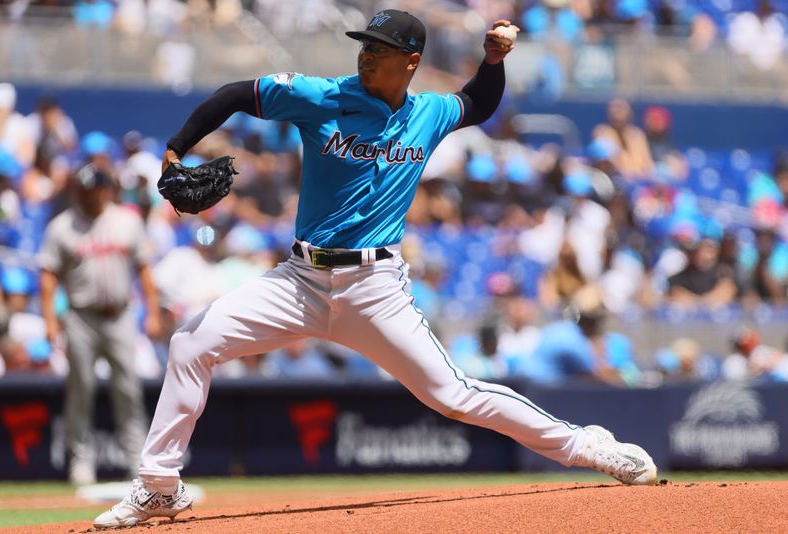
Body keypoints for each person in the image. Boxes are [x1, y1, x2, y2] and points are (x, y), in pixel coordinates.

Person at [94, 9, 657, 528]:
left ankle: (585, 445)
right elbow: (237, 94)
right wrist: (174, 149)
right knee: (191, 344)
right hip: (299, 281)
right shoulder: (323, 97)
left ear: (410, 61)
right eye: (365, 45)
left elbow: (479, 105)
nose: (366, 55)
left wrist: (492, 61)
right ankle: (159, 485)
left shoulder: (429, 113)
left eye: (380, 49)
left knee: (453, 395)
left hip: (375, 287)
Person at [38, 163, 163, 486]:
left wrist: (152, 312)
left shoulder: (127, 221)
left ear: (106, 190)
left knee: (128, 390)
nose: (87, 195)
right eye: (82, 190)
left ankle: (138, 462)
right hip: (81, 316)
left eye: (93, 189)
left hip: (120, 315)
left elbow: (145, 270)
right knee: (80, 390)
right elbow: (48, 275)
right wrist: (50, 319)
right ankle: (80, 463)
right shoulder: (61, 226)